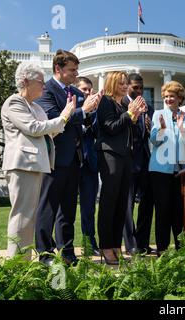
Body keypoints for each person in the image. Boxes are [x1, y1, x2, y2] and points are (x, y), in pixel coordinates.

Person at [1, 62, 75, 260]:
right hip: (22, 165)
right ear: (25, 81)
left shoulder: (35, 106)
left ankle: (22, 264)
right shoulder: (14, 103)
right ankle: (16, 266)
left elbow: (50, 129)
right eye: (40, 82)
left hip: (36, 165)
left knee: (29, 217)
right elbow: (34, 128)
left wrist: (62, 119)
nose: (44, 86)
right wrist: (65, 117)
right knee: (22, 216)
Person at [34, 49, 102, 266]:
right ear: (58, 69)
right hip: (55, 158)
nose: (76, 73)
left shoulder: (75, 92)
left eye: (76, 69)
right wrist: (83, 111)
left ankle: (67, 252)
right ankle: (45, 254)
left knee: (68, 209)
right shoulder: (47, 91)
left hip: (75, 159)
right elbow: (55, 119)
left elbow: (85, 122)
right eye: (72, 70)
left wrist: (91, 112)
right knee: (48, 207)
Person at [95, 71, 146, 264]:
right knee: (109, 203)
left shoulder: (123, 103)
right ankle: (106, 247)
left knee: (121, 204)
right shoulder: (106, 102)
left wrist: (135, 116)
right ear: (113, 83)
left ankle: (116, 245)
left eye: (126, 83)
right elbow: (110, 126)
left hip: (126, 157)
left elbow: (128, 128)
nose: (125, 86)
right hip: (109, 156)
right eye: (122, 83)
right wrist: (130, 114)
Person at [149, 81, 185, 256]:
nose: (168, 99)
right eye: (166, 96)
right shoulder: (158, 114)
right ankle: (162, 250)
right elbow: (154, 140)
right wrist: (161, 128)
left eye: (172, 96)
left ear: (179, 98)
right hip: (159, 170)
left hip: (179, 170)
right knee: (162, 210)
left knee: (179, 211)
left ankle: (181, 250)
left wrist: (182, 129)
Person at [121, 73, 155, 255]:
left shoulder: (148, 108)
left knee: (147, 202)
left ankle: (142, 242)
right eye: (135, 87)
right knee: (127, 204)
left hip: (145, 160)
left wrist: (150, 127)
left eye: (141, 88)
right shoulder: (121, 104)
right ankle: (131, 243)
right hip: (128, 159)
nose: (139, 91)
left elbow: (149, 134)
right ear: (127, 86)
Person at [75, 76, 100, 256]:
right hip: (71, 163)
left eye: (89, 90)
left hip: (90, 164)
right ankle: (61, 246)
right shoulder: (70, 110)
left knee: (89, 208)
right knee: (64, 208)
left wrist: (94, 111)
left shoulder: (95, 113)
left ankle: (90, 244)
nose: (87, 92)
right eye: (84, 89)